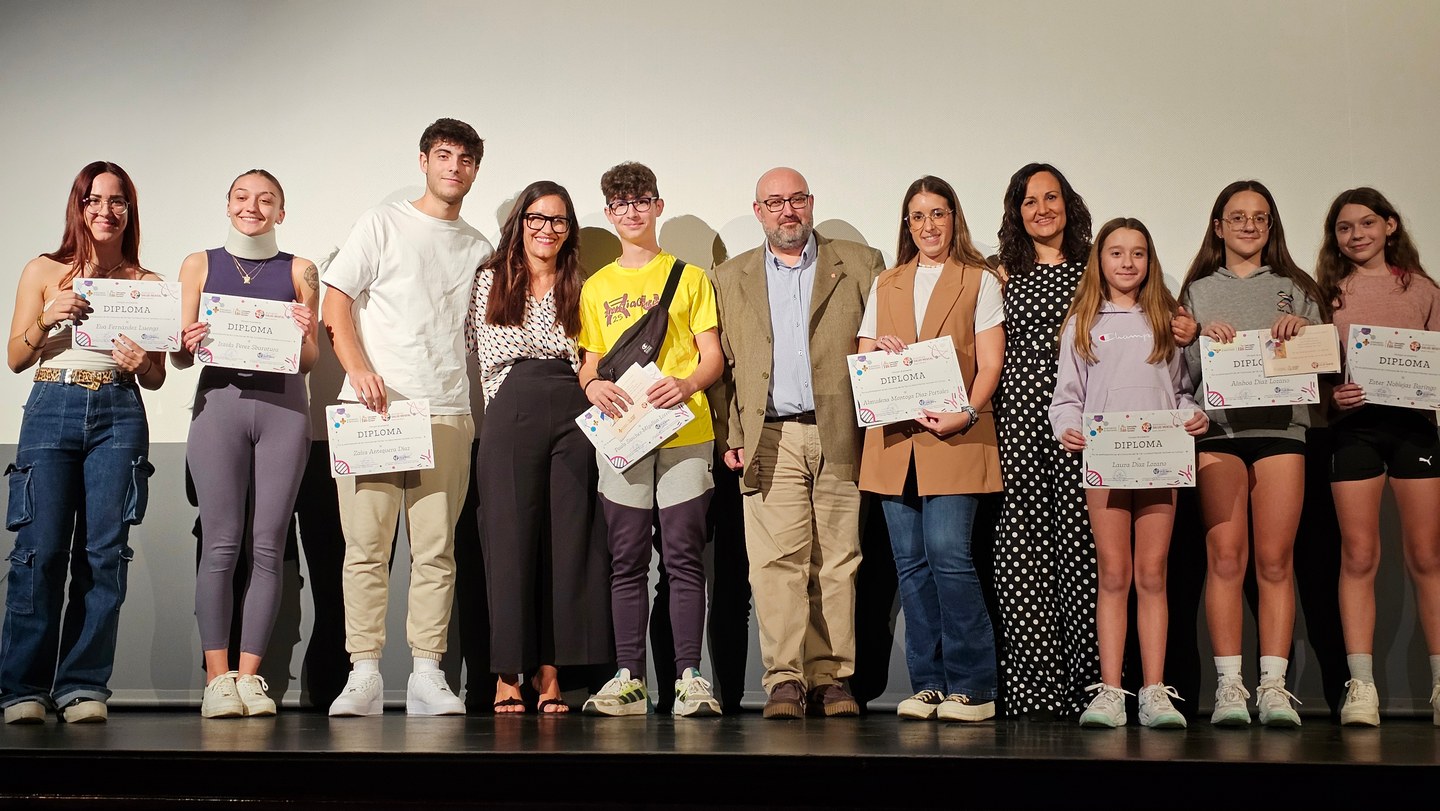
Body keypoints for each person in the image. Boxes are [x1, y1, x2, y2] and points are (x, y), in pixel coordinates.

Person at [321, 118, 493, 716]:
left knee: (436, 550)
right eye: (444, 155)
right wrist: (360, 368)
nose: (454, 167)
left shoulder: (479, 247)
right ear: (423, 160)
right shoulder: (382, 221)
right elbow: (335, 303)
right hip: (374, 409)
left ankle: (427, 670)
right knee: (365, 549)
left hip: (447, 409)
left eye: (466, 158)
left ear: (476, 168)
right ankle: (363, 673)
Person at [711, 167, 884, 718]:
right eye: (775, 202)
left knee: (838, 561)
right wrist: (732, 434)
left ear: (811, 203)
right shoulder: (728, 276)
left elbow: (878, 344)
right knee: (775, 562)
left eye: (797, 200)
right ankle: (784, 679)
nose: (788, 211)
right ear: (758, 210)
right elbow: (724, 371)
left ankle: (831, 678)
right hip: (770, 436)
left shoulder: (860, 264)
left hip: (841, 432)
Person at [1, 161, 165, 724]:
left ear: (129, 210)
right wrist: (47, 319)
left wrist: (143, 361)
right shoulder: (43, 270)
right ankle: (22, 688)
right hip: (51, 406)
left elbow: (158, 376)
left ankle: (80, 685)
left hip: (120, 413)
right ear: (79, 206)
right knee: (39, 552)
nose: (105, 210)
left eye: (117, 201)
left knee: (102, 555)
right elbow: (17, 358)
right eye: (94, 200)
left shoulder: (146, 284)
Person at [1050, 217, 1209, 728]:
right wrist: (1067, 427)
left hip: (1161, 460)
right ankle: (1112, 690)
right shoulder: (1083, 321)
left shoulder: (1168, 319)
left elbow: (1182, 390)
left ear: (1150, 260)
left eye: (1137, 253)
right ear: (1099, 261)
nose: (1126, 263)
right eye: (1116, 253)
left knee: (1152, 575)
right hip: (1107, 463)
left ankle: (1155, 689)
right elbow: (1067, 397)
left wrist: (1193, 413)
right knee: (1114, 575)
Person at [576, 162, 723, 717]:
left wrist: (685, 383)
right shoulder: (596, 286)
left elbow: (712, 355)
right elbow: (588, 363)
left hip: (686, 430)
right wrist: (591, 386)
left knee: (685, 557)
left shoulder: (689, 278)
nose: (632, 211)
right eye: (620, 204)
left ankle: (689, 677)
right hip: (623, 433)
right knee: (627, 558)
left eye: (641, 201)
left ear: (658, 206)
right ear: (609, 214)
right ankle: (629, 679)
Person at [172, 170, 318, 718]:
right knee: (220, 543)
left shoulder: (301, 269)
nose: (252, 207)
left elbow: (308, 362)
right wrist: (186, 344)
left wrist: (304, 331)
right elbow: (183, 357)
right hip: (219, 407)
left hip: (283, 410)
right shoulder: (200, 263)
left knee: (268, 545)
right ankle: (217, 678)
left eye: (266, 200)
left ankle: (251, 678)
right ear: (227, 205)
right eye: (241, 197)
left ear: (281, 211)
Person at [1179, 180, 1325, 727]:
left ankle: (1272, 685)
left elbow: (1323, 366)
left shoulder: (1296, 287)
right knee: (1225, 559)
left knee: (1275, 560)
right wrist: (1198, 342)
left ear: (1271, 226)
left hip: (1283, 430)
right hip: (1218, 436)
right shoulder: (1193, 292)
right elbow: (1182, 376)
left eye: (1259, 217)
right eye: (1236, 217)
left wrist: (1304, 334)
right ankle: (1230, 687)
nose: (1247, 226)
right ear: (1218, 226)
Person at [857, 176, 1002, 722]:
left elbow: (990, 363)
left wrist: (966, 411)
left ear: (953, 218)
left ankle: (975, 686)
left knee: (950, 558)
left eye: (937, 213)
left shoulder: (979, 281)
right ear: (907, 224)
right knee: (911, 566)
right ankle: (930, 684)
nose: (928, 225)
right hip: (895, 441)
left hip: (957, 434)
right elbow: (866, 352)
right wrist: (881, 348)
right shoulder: (887, 282)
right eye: (917, 216)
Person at [466, 181, 611, 714]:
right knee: (508, 540)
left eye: (558, 221)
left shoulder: (583, 283)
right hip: (513, 401)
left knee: (567, 540)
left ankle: (551, 674)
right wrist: (505, 409)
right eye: (537, 218)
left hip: (575, 404)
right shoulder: (492, 278)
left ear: (568, 230)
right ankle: (509, 673)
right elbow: (488, 355)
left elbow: (586, 357)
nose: (546, 229)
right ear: (520, 222)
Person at [1317, 187, 1440, 726]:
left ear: (1390, 225)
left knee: (1427, 557)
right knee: (1359, 556)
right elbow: (1314, 373)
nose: (1356, 235)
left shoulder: (1424, 290)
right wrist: (1331, 396)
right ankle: (1361, 685)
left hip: (1415, 430)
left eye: (1367, 223)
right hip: (1354, 432)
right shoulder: (1327, 294)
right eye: (1344, 227)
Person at [991, 163, 1101, 718]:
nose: (1042, 209)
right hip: (1017, 421)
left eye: (1051, 198)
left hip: (1082, 422)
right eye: (1030, 201)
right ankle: (1035, 687)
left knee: (1083, 549)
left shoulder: (1096, 272)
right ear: (1017, 212)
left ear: (1067, 203)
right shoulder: (1000, 274)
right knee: (1023, 551)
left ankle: (1092, 685)